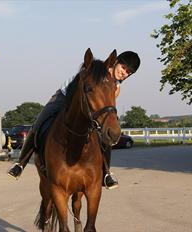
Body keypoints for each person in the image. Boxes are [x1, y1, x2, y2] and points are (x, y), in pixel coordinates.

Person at [8, 51, 140, 190]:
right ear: (116, 62)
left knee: (105, 134)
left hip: (87, 108)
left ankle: (106, 172)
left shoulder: (117, 86)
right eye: (124, 68)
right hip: (64, 97)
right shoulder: (97, 69)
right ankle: (21, 162)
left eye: (129, 72)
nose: (125, 73)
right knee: (40, 120)